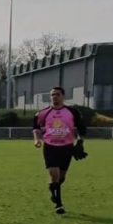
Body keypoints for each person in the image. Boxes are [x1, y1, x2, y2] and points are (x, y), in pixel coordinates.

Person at [33, 86, 85, 215]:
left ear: (63, 96)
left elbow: (80, 128)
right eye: (52, 95)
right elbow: (36, 128)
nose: (54, 97)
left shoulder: (72, 112)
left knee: (61, 177)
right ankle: (58, 204)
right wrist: (36, 139)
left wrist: (80, 141)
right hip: (50, 147)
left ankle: (54, 190)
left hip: (67, 147)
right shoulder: (43, 113)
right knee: (54, 174)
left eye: (57, 94)